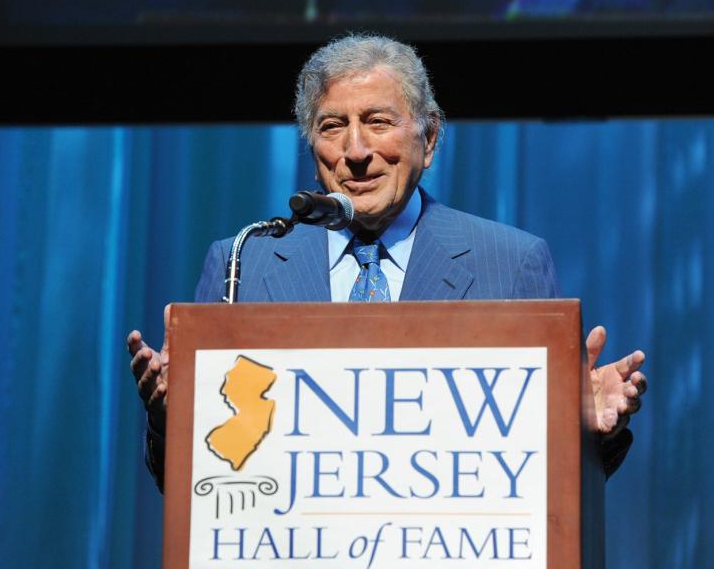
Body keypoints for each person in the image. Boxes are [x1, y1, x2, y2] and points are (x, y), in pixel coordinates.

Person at [127, 34, 647, 492]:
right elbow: (196, 480)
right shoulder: (243, 261)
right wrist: (169, 420)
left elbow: (546, 475)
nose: (356, 150)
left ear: (431, 137)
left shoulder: (509, 264)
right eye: (333, 126)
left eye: (378, 122)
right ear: (313, 147)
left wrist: (586, 428)